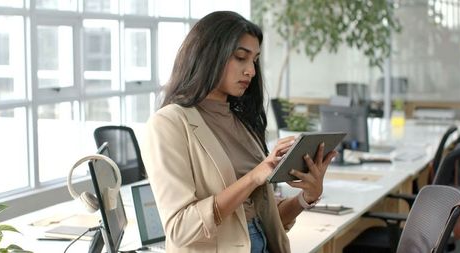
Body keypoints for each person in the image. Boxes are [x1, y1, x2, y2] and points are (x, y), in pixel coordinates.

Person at [142, 11, 336, 253]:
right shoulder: (168, 123)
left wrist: (306, 197)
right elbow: (180, 229)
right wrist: (255, 176)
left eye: (254, 60)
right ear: (209, 55)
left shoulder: (241, 121)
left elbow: (261, 218)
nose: (251, 71)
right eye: (240, 57)